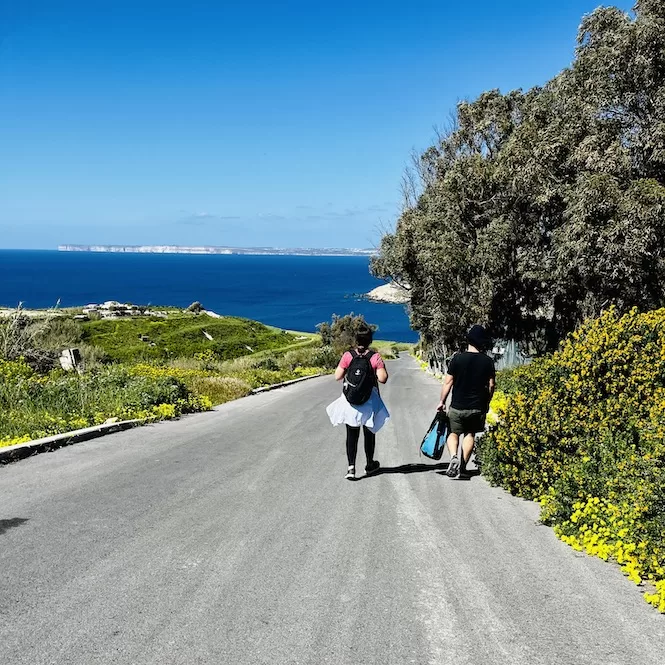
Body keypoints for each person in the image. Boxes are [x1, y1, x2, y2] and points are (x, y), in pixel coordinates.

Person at [326, 325, 390, 480]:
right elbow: (383, 379)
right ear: (370, 340)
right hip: (369, 401)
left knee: (351, 434)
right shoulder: (375, 357)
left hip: (351, 402)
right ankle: (369, 464)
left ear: (356, 339)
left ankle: (351, 468)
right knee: (369, 433)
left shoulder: (348, 355)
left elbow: (337, 376)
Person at [436, 324, 495, 478]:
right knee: (470, 434)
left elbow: (448, 383)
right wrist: (487, 402)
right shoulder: (488, 361)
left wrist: (442, 401)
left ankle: (454, 457)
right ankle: (462, 468)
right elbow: (491, 385)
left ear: (468, 341)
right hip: (477, 407)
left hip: (457, 406)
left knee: (453, 433)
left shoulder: (457, 359)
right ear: (482, 342)